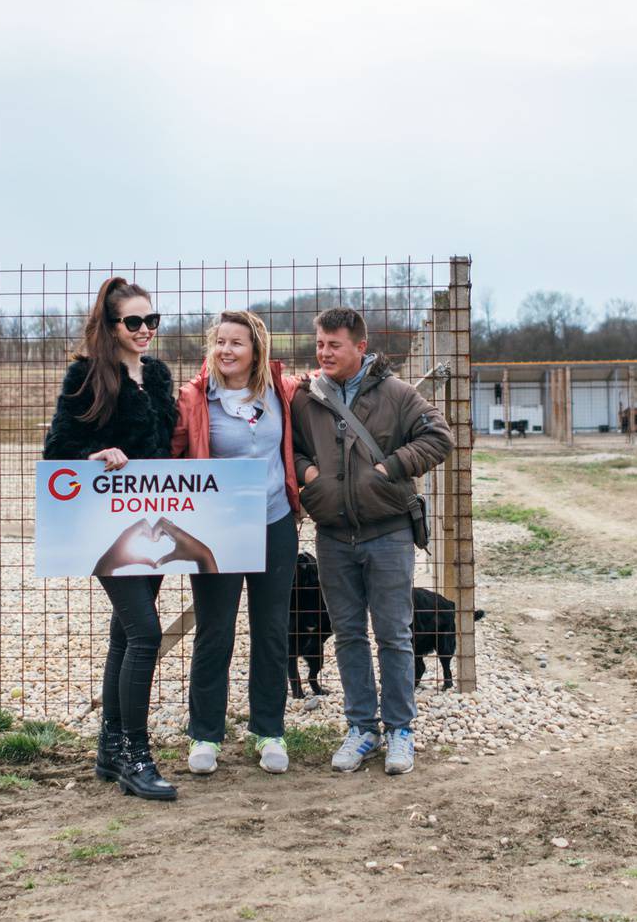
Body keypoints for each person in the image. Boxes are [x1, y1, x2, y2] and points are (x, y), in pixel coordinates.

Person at [291, 307, 453, 776]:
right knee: (347, 636)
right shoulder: (307, 399)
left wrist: (391, 467)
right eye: (319, 344)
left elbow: (438, 437)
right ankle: (361, 727)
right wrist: (310, 474)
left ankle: (401, 729)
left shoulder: (397, 394)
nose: (323, 353)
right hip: (334, 535)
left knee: (394, 635)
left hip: (388, 532)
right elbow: (294, 447)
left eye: (333, 345)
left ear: (360, 347)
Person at [42, 277, 180, 801]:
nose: (145, 331)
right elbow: (58, 448)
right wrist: (95, 455)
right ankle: (134, 755)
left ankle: (108, 747)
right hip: (104, 520)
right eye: (134, 322)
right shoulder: (87, 375)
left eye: (152, 321)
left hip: (154, 518)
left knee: (126, 635)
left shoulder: (160, 375)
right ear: (111, 325)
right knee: (146, 633)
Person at [171, 310, 302, 777]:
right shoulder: (194, 398)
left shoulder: (281, 392)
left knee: (271, 630)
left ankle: (269, 731)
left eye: (236, 343)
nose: (226, 350)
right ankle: (205, 735)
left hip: (274, 521)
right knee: (215, 630)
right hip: (218, 529)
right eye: (220, 341)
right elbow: (173, 454)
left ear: (256, 351)